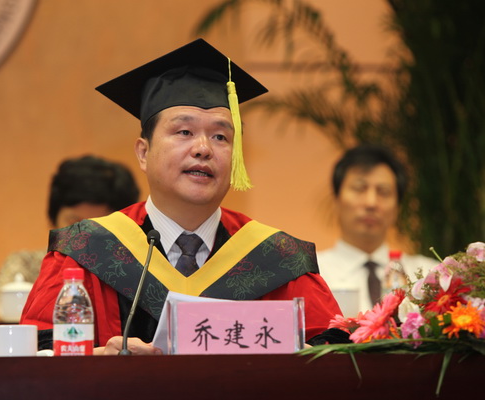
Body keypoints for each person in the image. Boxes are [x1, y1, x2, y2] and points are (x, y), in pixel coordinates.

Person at [20, 39, 344, 355]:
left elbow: (337, 353)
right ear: (143, 153)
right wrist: (99, 358)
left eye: (220, 136)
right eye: (184, 132)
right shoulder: (85, 251)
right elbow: (34, 354)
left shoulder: (279, 258)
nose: (203, 148)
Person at [0, 155, 140, 322]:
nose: (85, 236)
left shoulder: (135, 271)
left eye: (98, 225)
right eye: (74, 223)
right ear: (52, 220)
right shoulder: (25, 264)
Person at [317, 144, 439, 314]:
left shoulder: (429, 275)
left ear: (398, 207)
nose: (371, 203)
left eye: (384, 192)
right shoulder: (312, 276)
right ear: (336, 198)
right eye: (359, 188)